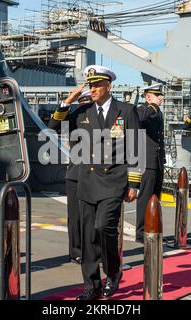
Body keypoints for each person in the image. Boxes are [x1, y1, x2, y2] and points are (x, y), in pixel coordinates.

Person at [55, 65, 141, 300]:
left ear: (108, 86)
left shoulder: (126, 111)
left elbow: (135, 146)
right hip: (88, 181)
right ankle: (91, 286)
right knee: (88, 236)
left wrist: (134, 184)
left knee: (104, 227)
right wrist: (66, 103)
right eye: (90, 85)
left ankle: (113, 272)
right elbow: (54, 128)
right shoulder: (82, 113)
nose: (92, 89)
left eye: (96, 85)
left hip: (114, 181)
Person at [48, 86, 93, 264]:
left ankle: (94, 251)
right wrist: (67, 102)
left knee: (96, 218)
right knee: (76, 216)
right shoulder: (76, 116)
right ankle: (77, 252)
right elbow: (52, 127)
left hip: (100, 175)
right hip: (78, 173)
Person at [135, 83, 165, 243]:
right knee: (145, 198)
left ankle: (152, 228)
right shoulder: (143, 109)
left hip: (157, 160)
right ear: (148, 97)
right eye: (157, 96)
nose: (160, 98)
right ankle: (141, 233)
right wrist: (152, 105)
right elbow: (139, 119)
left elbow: (160, 138)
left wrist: (163, 159)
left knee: (155, 197)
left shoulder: (157, 112)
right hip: (146, 161)